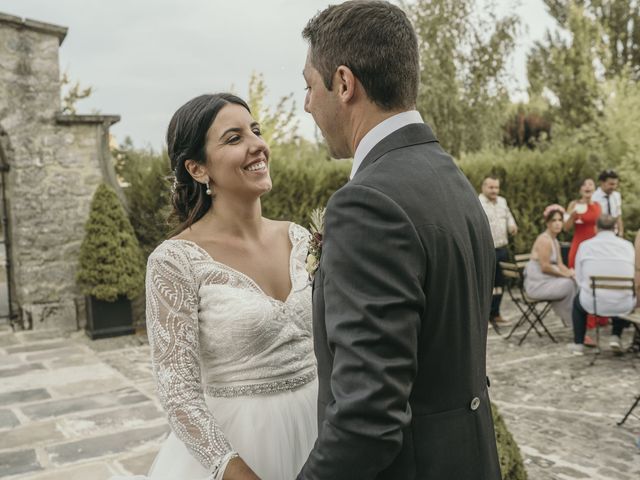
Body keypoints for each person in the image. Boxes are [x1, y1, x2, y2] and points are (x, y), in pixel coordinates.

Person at [298, 2, 501, 479]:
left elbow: (367, 419)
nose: (307, 104)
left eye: (309, 85)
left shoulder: (367, 202)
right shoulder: (451, 177)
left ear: (344, 84)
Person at [110, 93, 317, 480]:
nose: (257, 144)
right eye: (234, 138)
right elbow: (179, 393)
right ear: (198, 169)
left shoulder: (301, 239)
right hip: (243, 450)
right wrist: (238, 473)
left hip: (325, 432)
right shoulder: (175, 261)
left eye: (255, 130)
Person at [568, 215, 635, 355]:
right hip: (624, 304)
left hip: (593, 303)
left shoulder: (585, 246)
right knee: (619, 295)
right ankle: (615, 336)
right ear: (615, 229)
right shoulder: (628, 246)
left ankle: (578, 344)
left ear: (595, 228)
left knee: (577, 303)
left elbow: (579, 278)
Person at [524, 204, 577, 326]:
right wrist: (565, 275)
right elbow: (545, 267)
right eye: (554, 220)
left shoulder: (554, 240)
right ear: (547, 223)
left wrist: (570, 273)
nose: (558, 223)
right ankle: (572, 320)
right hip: (537, 285)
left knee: (575, 280)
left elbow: (559, 264)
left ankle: (575, 319)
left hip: (547, 281)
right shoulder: (545, 240)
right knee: (570, 284)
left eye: (560, 220)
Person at [479, 175, 518, 331]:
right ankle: (483, 317)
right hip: (487, 249)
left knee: (500, 284)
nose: (494, 190)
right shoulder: (478, 202)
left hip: (502, 248)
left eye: (496, 187)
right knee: (487, 284)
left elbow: (508, 217)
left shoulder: (502, 202)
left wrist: (512, 226)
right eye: (491, 187)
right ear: (483, 187)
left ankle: (495, 313)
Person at [564, 178, 602, 269]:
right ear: (580, 189)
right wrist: (572, 217)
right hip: (579, 244)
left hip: (594, 246)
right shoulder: (573, 204)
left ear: (594, 189)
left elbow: (601, 227)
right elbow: (565, 228)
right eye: (584, 185)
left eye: (590, 184)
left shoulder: (598, 206)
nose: (587, 186)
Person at [592, 169, 623, 236]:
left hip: (614, 233)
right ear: (602, 182)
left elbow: (618, 216)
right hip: (599, 233)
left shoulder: (617, 196)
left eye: (615, 184)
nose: (614, 187)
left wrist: (621, 233)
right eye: (611, 184)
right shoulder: (593, 197)